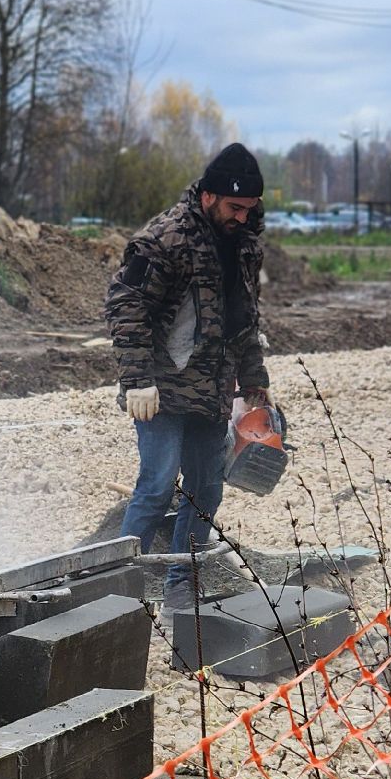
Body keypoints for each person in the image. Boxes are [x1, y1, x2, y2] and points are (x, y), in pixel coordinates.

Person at [104, 143, 270, 611]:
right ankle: (119, 588)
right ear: (208, 197)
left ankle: (182, 584)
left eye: (250, 209)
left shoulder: (246, 244)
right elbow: (124, 304)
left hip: (213, 390)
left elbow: (246, 317)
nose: (242, 217)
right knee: (157, 484)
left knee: (206, 490)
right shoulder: (164, 239)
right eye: (235, 208)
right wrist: (137, 378)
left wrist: (255, 380)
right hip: (159, 389)